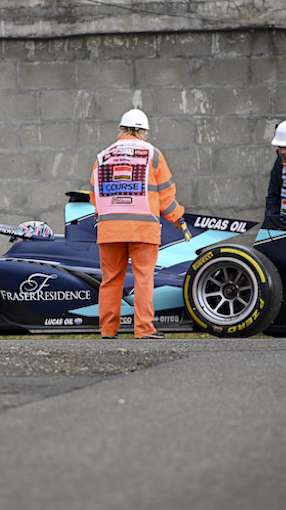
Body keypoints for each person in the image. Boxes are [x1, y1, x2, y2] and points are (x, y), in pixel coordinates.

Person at [90, 108, 185, 340]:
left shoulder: (103, 156)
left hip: (110, 229)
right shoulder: (152, 155)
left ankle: (108, 330)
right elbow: (165, 194)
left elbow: (95, 194)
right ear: (143, 131)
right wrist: (178, 218)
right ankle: (144, 329)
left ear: (121, 129)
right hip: (143, 228)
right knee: (143, 278)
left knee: (110, 279)